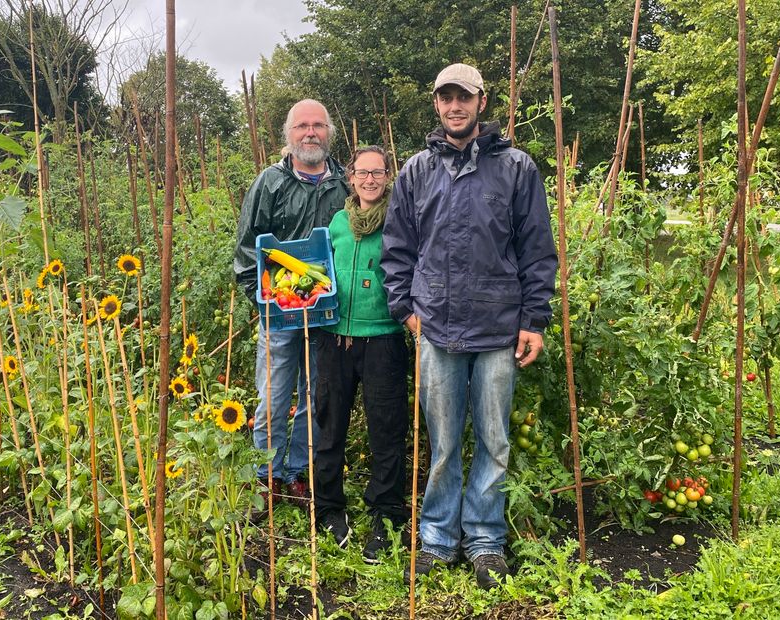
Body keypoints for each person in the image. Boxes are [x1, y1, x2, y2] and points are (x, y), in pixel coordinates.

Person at [381, 63, 558, 590]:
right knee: (442, 441)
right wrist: (407, 311)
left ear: (482, 102)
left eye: (464, 97)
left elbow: (536, 250)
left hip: (499, 329)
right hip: (436, 327)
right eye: (445, 98)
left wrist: (534, 320)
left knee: (494, 439)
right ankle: (436, 536)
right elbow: (397, 251)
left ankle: (484, 539)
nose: (454, 106)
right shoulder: (416, 171)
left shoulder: (517, 169)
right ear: (436, 105)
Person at [234, 99, 350, 510]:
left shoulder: (345, 183)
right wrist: (265, 301)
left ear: (329, 132)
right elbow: (249, 250)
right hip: (279, 313)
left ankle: (298, 471)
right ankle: (266, 475)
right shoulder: (270, 182)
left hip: (324, 311)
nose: (311, 133)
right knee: (273, 395)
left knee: (314, 396)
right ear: (289, 134)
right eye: (303, 126)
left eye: (318, 125)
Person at [313, 146, 410, 561]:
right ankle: (330, 509)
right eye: (362, 173)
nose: (370, 180)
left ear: (389, 176)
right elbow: (318, 270)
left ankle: (386, 516)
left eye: (378, 172)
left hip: (384, 338)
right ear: (349, 177)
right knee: (329, 425)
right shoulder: (336, 222)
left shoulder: (402, 220)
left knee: (386, 430)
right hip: (334, 338)